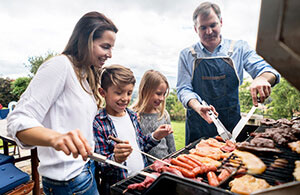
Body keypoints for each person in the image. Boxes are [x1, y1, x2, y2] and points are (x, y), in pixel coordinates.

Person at [7, 11, 118, 194]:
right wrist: (56, 138)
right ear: (86, 40)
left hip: (85, 171)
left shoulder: (84, 75)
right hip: (69, 182)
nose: (110, 54)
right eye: (105, 46)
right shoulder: (60, 65)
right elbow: (17, 120)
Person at [176, 2, 281, 145]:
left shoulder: (239, 48)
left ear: (221, 22)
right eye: (203, 27)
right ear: (195, 29)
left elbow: (268, 70)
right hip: (198, 126)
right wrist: (197, 106)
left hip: (232, 125)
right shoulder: (187, 54)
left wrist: (262, 78)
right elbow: (183, 89)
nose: (208, 31)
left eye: (213, 25)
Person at [93, 65, 173, 195]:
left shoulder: (132, 116)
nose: (125, 98)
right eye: (119, 93)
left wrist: (155, 136)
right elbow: (101, 166)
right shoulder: (98, 123)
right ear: (103, 92)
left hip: (141, 180)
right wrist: (116, 159)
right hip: (119, 187)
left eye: (129, 93)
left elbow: (141, 146)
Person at [132, 70, 176, 163]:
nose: (162, 98)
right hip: (145, 168)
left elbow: (171, 144)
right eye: (158, 93)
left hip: (165, 164)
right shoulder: (133, 115)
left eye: (164, 94)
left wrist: (173, 161)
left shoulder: (163, 114)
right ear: (145, 90)